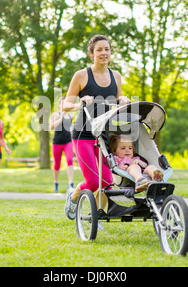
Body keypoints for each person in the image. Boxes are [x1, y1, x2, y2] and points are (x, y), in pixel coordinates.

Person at [63, 34, 130, 220]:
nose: (104, 53)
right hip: (83, 134)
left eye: (107, 49)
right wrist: (81, 103)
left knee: (108, 181)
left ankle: (97, 216)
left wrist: (122, 101)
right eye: (99, 50)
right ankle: (74, 195)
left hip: (104, 134)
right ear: (92, 54)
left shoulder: (116, 76)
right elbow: (65, 106)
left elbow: (116, 105)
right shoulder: (81, 75)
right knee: (93, 181)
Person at [50, 97, 74, 193]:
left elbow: (70, 128)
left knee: (69, 160)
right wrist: (61, 117)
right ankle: (56, 183)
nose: (64, 105)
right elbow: (51, 127)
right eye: (62, 103)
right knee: (57, 164)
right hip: (57, 142)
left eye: (65, 103)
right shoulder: (55, 115)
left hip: (68, 141)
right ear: (59, 105)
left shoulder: (71, 115)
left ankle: (70, 184)